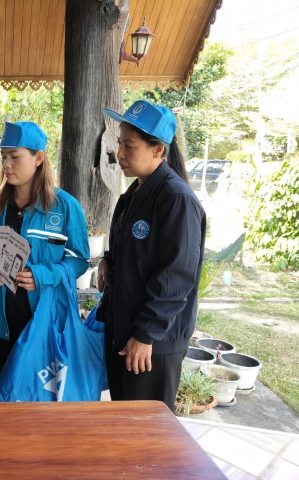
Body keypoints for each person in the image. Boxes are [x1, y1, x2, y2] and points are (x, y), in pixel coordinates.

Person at [98, 100, 206, 411]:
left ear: (158, 150)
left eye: (129, 146)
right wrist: (108, 261)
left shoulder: (176, 199)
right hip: (127, 331)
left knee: (148, 427)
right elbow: (131, 251)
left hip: (152, 343)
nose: (120, 154)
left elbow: (177, 276)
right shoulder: (135, 193)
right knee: (125, 419)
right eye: (120, 143)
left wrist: (146, 335)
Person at [0, 121, 90, 389]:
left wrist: (42, 275)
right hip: (2, 325)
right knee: (4, 397)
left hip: (44, 324)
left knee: (40, 403)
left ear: (38, 158)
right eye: (3, 157)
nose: (6, 165)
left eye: (15, 157)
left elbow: (79, 260)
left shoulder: (65, 206)